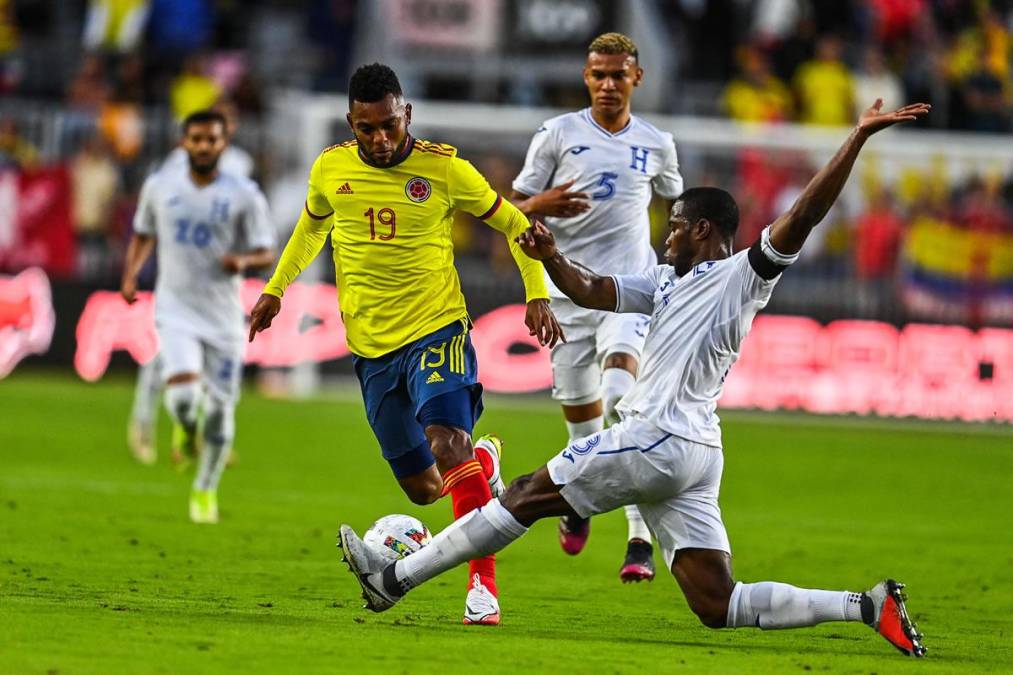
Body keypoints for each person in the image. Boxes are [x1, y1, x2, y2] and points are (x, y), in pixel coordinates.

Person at [339, 99, 931, 659]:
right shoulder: (667, 282)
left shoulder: (740, 276)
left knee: (522, 495)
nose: (665, 234)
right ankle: (865, 605)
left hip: (655, 435)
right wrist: (547, 254)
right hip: (697, 454)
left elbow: (803, 215)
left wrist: (854, 138)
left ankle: (392, 579)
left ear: (702, 230)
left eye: (674, 225)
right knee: (717, 602)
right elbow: (593, 289)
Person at [247, 63, 561, 626]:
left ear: (406, 113)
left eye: (390, 124)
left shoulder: (445, 170)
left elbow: (519, 226)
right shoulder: (330, 168)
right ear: (352, 122)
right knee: (424, 488)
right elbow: (312, 226)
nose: (381, 138)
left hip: (436, 328)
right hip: (371, 349)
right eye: (368, 128)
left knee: (447, 444)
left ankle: (482, 590)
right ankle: (483, 462)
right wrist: (276, 289)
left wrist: (538, 292)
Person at [510, 32, 683, 582]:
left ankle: (638, 541)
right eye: (597, 75)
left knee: (620, 398)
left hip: (626, 290)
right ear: (586, 78)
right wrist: (541, 204)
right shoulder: (557, 134)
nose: (608, 84)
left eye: (618, 74)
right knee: (583, 431)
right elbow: (511, 212)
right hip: (566, 297)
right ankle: (578, 505)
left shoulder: (657, 143)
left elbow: (677, 208)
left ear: (637, 77)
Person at [120, 109, 275, 523]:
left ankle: (204, 492)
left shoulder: (245, 192)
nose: (204, 146)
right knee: (186, 399)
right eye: (197, 139)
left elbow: (266, 250)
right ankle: (185, 430)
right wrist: (131, 274)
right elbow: (143, 233)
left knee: (222, 411)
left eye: (212, 140)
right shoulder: (160, 185)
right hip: (175, 309)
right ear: (184, 142)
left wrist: (241, 260)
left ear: (224, 143)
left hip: (223, 316)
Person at [128, 98, 255, 465]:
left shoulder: (240, 163)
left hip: (220, 278)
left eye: (230, 120)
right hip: (181, 273)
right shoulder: (178, 162)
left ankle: (207, 434)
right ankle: (143, 423)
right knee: (164, 357)